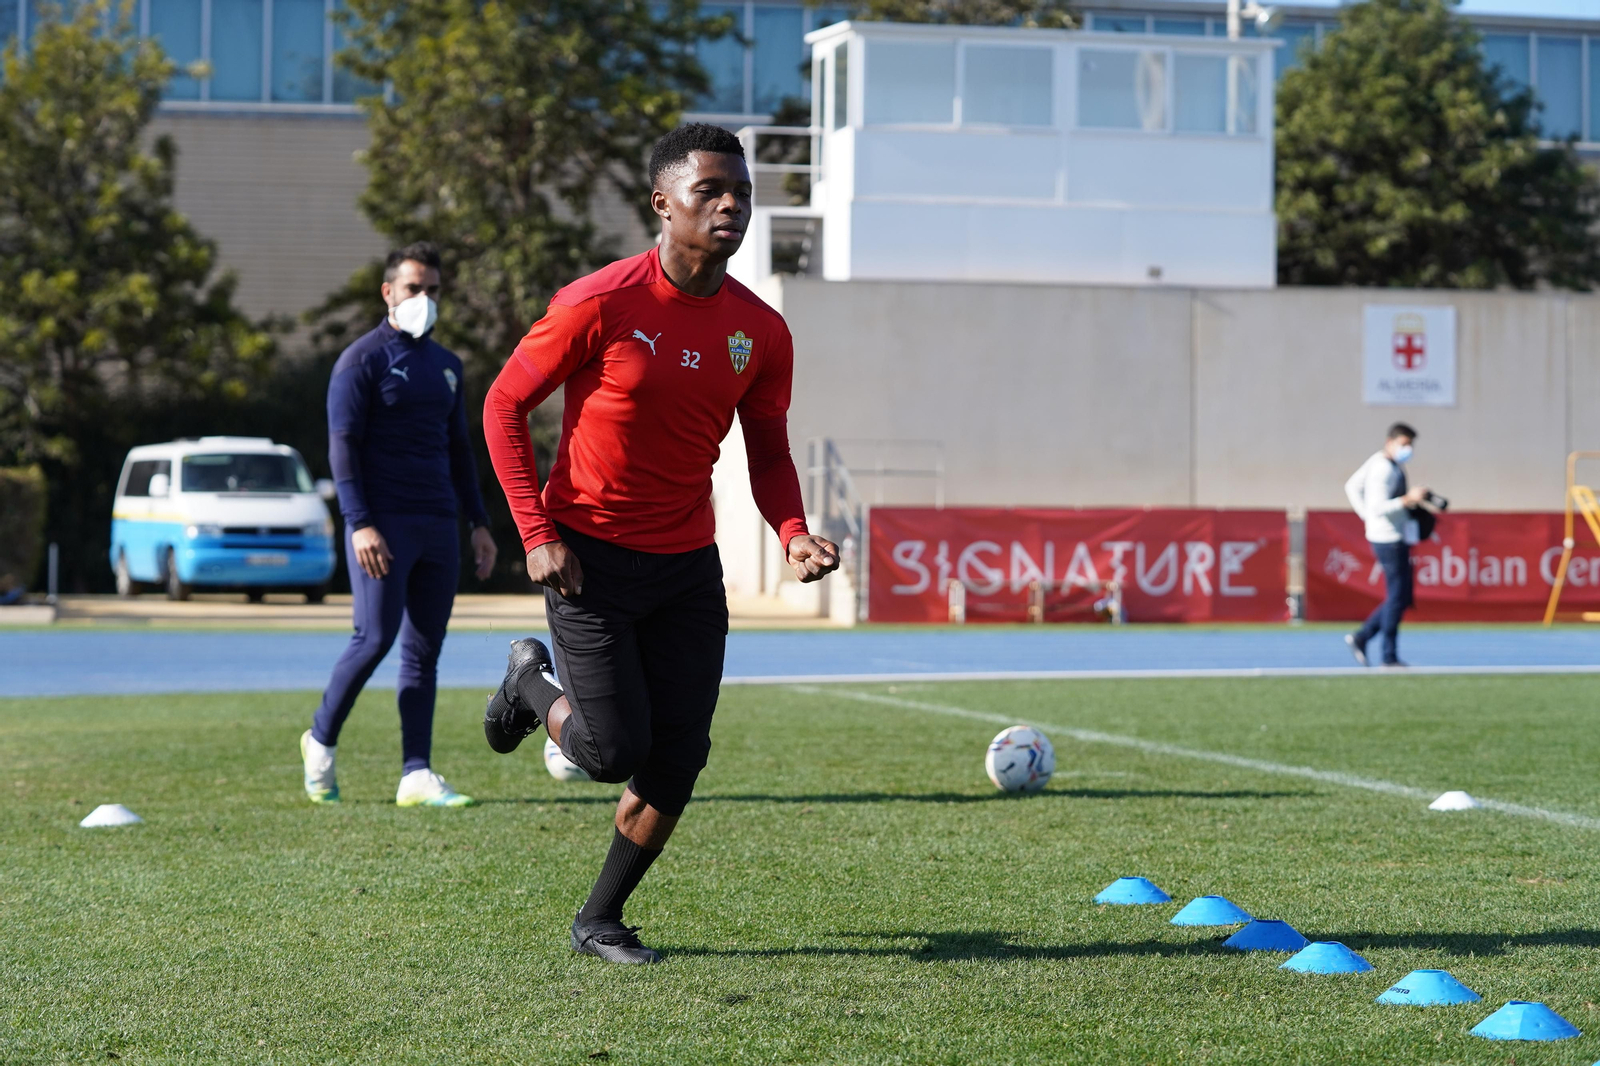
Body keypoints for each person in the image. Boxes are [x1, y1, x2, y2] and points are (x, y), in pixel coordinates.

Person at [479, 123, 840, 964]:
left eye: (741, 193)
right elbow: (502, 406)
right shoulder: (599, 301)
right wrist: (535, 532)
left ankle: (598, 918)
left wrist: (792, 534)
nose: (730, 205)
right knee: (612, 752)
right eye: (710, 190)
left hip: (686, 567)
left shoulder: (761, 332)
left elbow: (770, 453)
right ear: (661, 203)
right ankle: (528, 681)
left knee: (680, 753)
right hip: (588, 557)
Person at [299, 241, 499, 807]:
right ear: (388, 292)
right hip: (382, 525)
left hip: (438, 524)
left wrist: (479, 523)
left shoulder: (448, 367)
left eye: (434, 289)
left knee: (424, 650)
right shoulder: (360, 360)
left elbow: (460, 451)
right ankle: (320, 739)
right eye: (415, 288)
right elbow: (342, 447)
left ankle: (416, 773)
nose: (425, 299)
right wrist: (359, 523)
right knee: (374, 638)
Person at [1343, 422, 1429, 668]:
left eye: (1410, 444)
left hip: (1391, 536)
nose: (1408, 449)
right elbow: (1379, 508)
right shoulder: (1384, 469)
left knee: (1400, 597)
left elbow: (1351, 486)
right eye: (1404, 444)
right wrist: (1407, 500)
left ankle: (1363, 637)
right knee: (1396, 597)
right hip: (1389, 539)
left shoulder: (1381, 462)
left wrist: (1366, 517)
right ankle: (1387, 655)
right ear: (1389, 442)